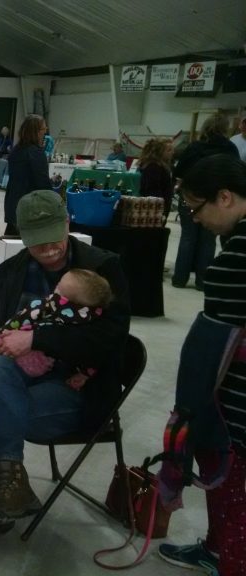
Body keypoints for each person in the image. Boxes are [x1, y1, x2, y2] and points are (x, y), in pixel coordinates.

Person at [0, 190, 130, 546]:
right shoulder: (9, 272)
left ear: (67, 223)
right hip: (20, 379)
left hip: (80, 388)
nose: (48, 251)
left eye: (54, 240)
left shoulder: (102, 267)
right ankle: (8, 493)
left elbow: (110, 341)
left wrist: (37, 340)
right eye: (37, 244)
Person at [157, 154, 246, 576]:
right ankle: (215, 550)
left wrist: (190, 415)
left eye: (196, 208)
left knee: (233, 497)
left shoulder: (233, 264)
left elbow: (211, 353)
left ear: (224, 197)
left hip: (235, 418)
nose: (194, 219)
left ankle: (228, 559)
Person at [0, 268, 112, 389]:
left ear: (63, 298)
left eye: (58, 287)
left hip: (24, 359)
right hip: (48, 366)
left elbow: (20, 319)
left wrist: (4, 333)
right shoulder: (91, 316)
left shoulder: (47, 305)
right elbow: (89, 356)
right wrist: (84, 374)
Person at [171, 113, 239, 289]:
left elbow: (178, 172)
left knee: (187, 238)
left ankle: (179, 278)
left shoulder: (194, 147)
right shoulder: (230, 149)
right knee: (208, 241)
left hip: (191, 199)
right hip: (217, 202)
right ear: (226, 128)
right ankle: (203, 280)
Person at [3, 114, 51, 236]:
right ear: (36, 132)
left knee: (11, 241)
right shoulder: (36, 153)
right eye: (43, 129)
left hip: (13, 203)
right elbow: (42, 183)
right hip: (30, 208)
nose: (45, 133)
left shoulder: (16, 150)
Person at [137, 138, 175, 216]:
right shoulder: (154, 167)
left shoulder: (162, 166)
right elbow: (152, 190)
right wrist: (160, 208)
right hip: (155, 208)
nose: (173, 152)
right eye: (169, 150)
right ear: (160, 152)